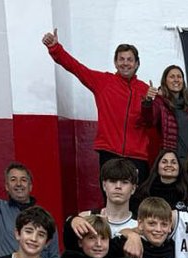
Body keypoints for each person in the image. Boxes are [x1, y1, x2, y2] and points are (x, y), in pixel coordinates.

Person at [42, 29, 151, 181]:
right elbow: (77, 68)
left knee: (137, 201)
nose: (125, 63)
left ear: (137, 63)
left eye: (130, 59)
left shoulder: (146, 90)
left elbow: (153, 121)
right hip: (109, 153)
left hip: (137, 156)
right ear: (115, 62)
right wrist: (55, 48)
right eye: (121, 59)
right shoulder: (103, 82)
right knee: (110, 200)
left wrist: (152, 101)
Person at [143, 65, 188, 161]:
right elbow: (148, 121)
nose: (176, 80)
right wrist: (148, 101)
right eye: (172, 77)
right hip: (171, 161)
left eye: (179, 77)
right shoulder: (160, 102)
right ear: (165, 81)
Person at [77, 158, 139, 238]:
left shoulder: (140, 225)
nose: (118, 186)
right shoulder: (85, 218)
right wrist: (72, 220)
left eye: (125, 182)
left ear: (133, 189)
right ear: (104, 185)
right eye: (113, 181)